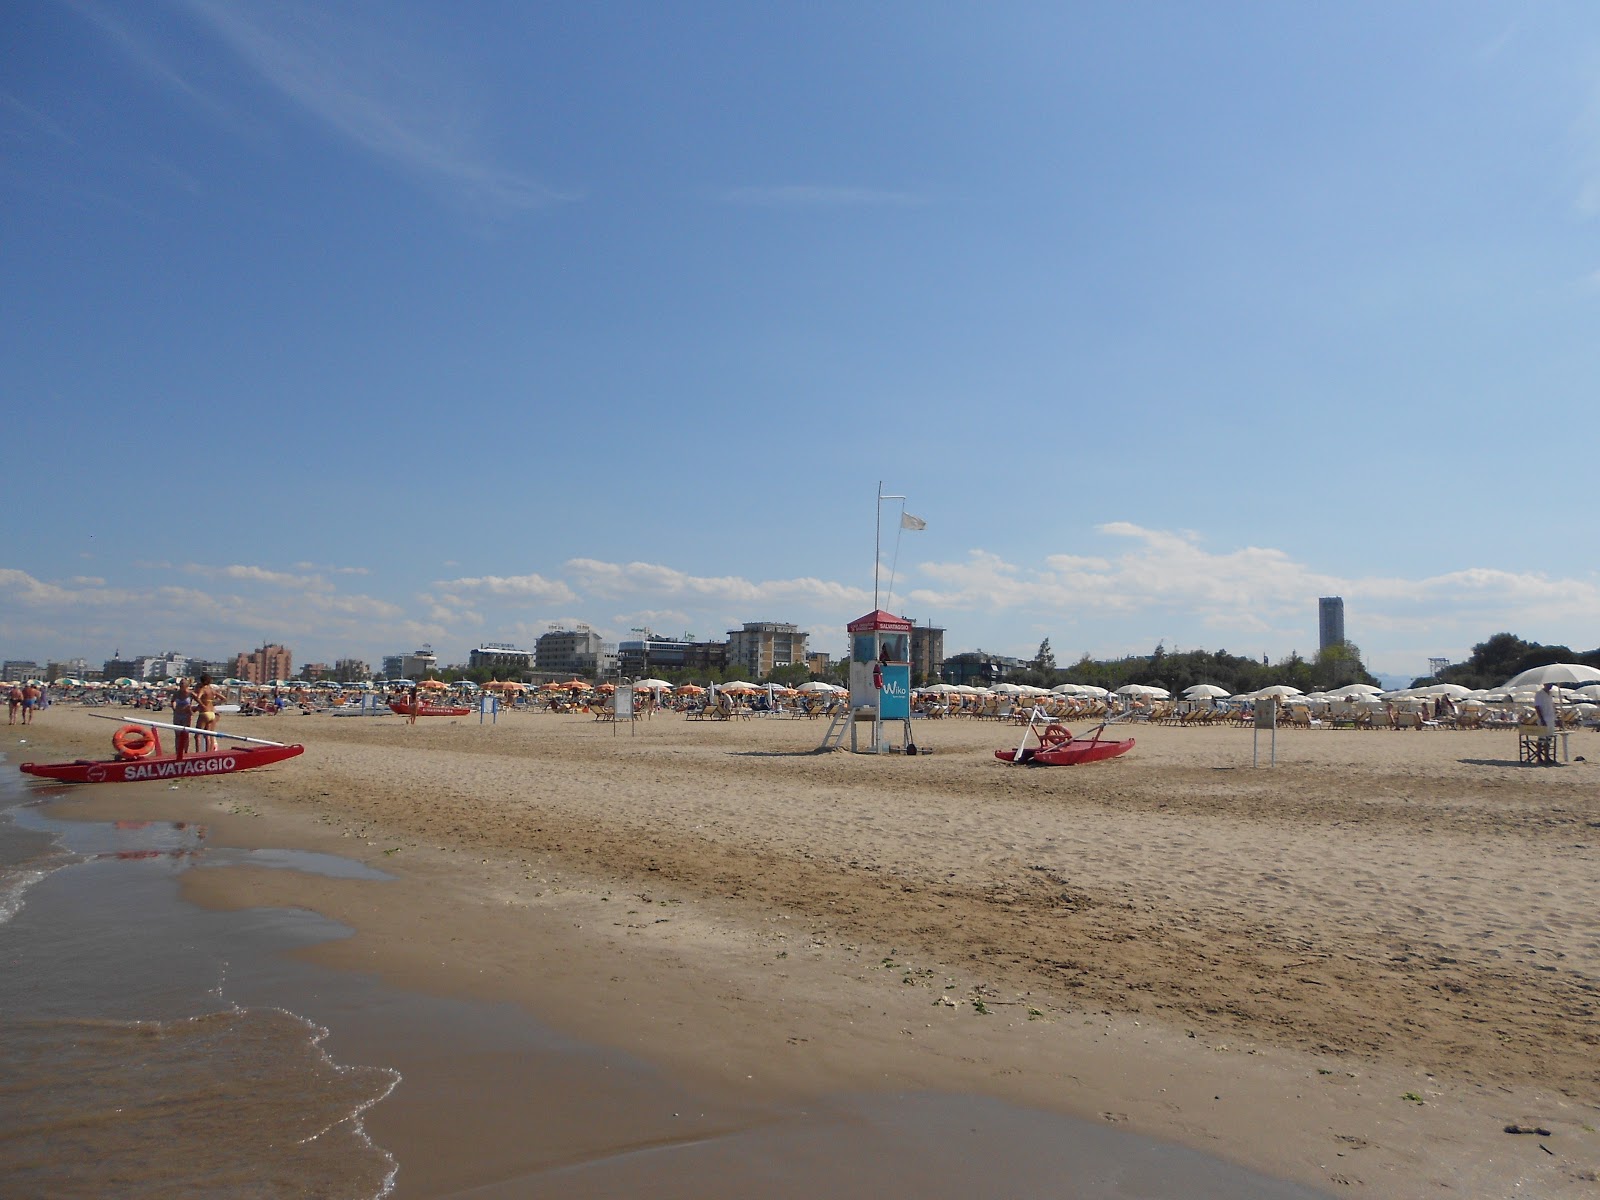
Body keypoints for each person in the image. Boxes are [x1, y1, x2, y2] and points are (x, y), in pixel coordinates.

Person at [194, 674, 223, 752]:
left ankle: (198, 753)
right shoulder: (212, 690)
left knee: (197, 735)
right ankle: (208, 752)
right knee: (208, 735)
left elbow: (197, 698)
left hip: (204, 713)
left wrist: (202, 705)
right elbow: (223, 698)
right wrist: (214, 702)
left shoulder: (203, 689)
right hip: (212, 713)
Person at [171, 678, 197, 757]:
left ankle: (185, 751)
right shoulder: (176, 693)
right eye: (180, 683)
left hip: (186, 715)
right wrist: (174, 708)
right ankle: (177, 751)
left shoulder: (190, 694)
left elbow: (200, 701)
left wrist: (192, 710)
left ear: (187, 685)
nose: (181, 685)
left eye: (183, 683)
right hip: (177, 715)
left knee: (186, 734)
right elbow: (173, 701)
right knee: (177, 734)